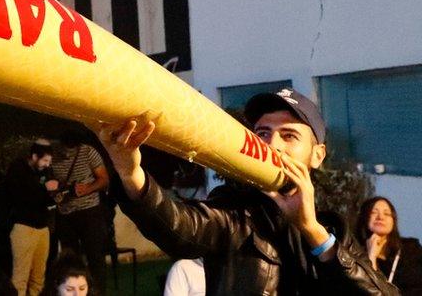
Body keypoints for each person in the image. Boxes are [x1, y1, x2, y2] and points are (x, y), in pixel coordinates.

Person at [97, 87, 398, 294]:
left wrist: (311, 230)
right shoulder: (235, 212)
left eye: (289, 135)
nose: (272, 145)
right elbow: (179, 226)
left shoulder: (334, 230)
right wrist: (130, 173)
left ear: (317, 155)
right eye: (263, 133)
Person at [50, 130, 109, 294]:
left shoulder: (88, 151)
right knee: (71, 260)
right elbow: (49, 181)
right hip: (66, 214)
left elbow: (104, 179)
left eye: (71, 149)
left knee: (95, 257)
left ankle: (97, 293)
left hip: (90, 212)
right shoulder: (53, 154)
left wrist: (88, 188)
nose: (68, 152)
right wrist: (58, 191)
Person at [2, 139, 58, 296]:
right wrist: (43, 188)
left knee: (38, 277)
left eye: (49, 161)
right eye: (45, 160)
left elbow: (47, 197)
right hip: (23, 227)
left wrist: (55, 194)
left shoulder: (46, 172)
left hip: (42, 228)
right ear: (34, 156)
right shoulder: (18, 170)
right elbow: (19, 196)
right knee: (21, 277)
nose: (47, 164)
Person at [357, 196, 422, 294]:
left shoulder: (410, 249)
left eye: (387, 214)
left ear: (393, 221)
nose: (380, 217)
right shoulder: (353, 253)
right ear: (365, 218)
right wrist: (371, 257)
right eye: (374, 212)